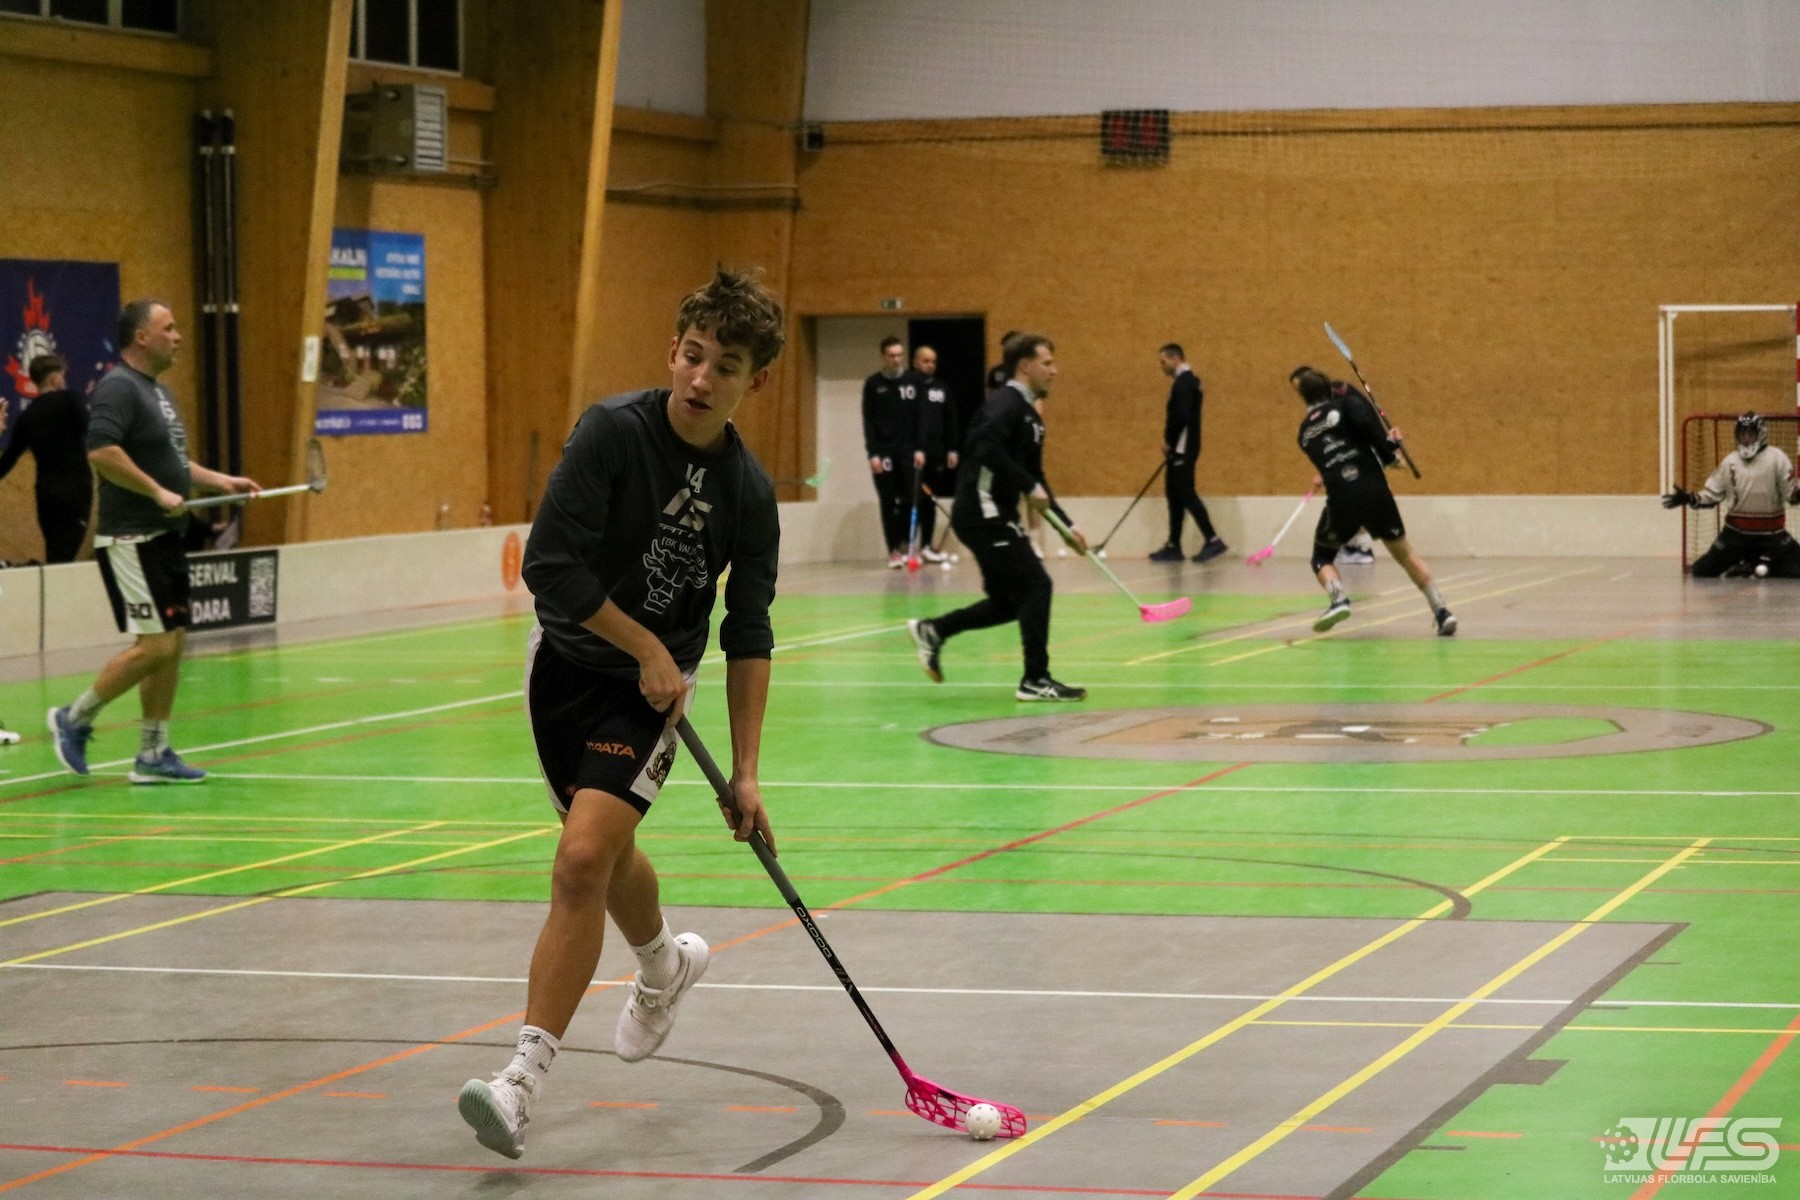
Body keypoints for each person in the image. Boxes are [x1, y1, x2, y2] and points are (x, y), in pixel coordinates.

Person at [458, 269, 783, 1161]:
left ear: (755, 380)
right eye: (692, 355)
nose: (701, 379)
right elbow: (549, 567)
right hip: (566, 667)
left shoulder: (749, 493)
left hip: (651, 697)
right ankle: (666, 965)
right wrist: (641, 643)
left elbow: (749, 630)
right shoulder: (610, 432)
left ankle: (520, 1082)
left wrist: (746, 771)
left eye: (726, 366)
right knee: (605, 851)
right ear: (672, 350)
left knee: (581, 858)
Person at [46, 300, 260, 782]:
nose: (178, 337)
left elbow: (176, 463)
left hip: (165, 536)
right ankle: (73, 718)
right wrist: (157, 491)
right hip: (131, 537)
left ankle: (153, 753)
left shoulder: (160, 393)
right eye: (169, 328)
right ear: (141, 337)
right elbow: (102, 452)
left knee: (173, 643)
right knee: (157, 646)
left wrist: (221, 480)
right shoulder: (119, 386)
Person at [907, 335, 1087, 700]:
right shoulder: (1005, 404)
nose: (1054, 371)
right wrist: (1026, 484)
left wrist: (1067, 526)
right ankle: (1035, 679)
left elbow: (1036, 479)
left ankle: (934, 630)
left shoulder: (1031, 417)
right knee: (1037, 586)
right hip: (982, 511)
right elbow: (982, 446)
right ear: (1025, 366)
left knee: (1010, 602)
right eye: (1047, 363)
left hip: (996, 513)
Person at [1289, 365, 1455, 636]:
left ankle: (1338, 600)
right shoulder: (1347, 405)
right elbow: (1368, 431)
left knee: (1322, 557)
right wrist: (1391, 448)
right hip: (1374, 488)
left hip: (1340, 495)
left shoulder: (1303, 433)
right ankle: (1442, 611)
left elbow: (1331, 454)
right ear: (1328, 388)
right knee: (1405, 554)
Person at [1664, 412, 1800, 577]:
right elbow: (1712, 494)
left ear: (1761, 434)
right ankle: (1749, 563)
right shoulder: (1730, 461)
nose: (1746, 439)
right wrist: (1690, 498)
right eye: (1742, 434)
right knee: (1701, 571)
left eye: (1750, 434)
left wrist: (1798, 493)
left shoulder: (1777, 458)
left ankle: (1756, 565)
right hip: (1735, 535)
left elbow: (1790, 494)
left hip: (1772, 535)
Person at [0, 354, 93, 563]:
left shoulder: (27, 416)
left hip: (46, 493)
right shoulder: (71, 400)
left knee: (55, 551)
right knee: (64, 556)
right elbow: (95, 432)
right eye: (62, 376)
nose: (64, 380)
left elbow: (7, 460)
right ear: (54, 379)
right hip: (75, 490)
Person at [1148, 343, 1227, 564]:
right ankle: (1173, 545)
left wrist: (1169, 442)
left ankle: (1213, 539)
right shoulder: (1187, 382)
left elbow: (1181, 416)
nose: (1162, 366)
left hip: (1182, 448)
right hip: (1180, 449)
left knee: (1186, 493)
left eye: (1163, 361)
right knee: (1174, 494)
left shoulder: (1185, 382)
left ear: (1176, 359)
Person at [862, 336, 918, 567]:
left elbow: (919, 417)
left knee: (909, 499)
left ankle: (907, 544)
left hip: (908, 452)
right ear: (883, 356)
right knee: (888, 501)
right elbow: (869, 420)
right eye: (891, 355)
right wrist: (873, 453)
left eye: (899, 355)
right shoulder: (873, 384)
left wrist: (919, 449)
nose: (896, 359)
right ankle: (893, 549)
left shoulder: (912, 381)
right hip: (883, 452)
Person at [904, 344, 959, 562]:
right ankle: (909, 546)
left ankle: (927, 544)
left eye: (933, 361)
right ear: (915, 362)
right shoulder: (906, 388)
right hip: (911, 455)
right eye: (925, 361)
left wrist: (952, 449)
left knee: (930, 501)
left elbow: (951, 420)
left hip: (936, 453)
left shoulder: (941, 389)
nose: (930, 365)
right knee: (912, 500)